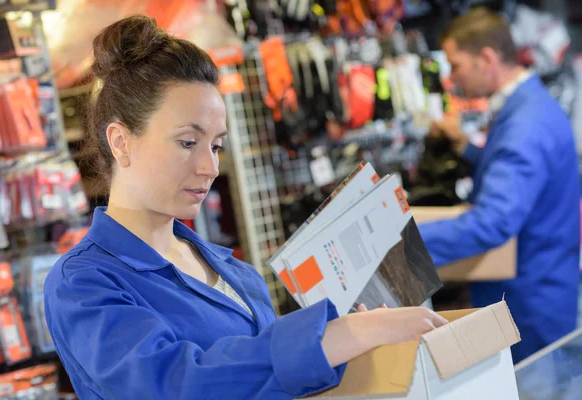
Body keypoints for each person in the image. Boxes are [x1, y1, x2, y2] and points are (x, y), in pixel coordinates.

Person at [43, 15, 448, 400]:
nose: (210, 167)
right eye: (188, 142)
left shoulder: (237, 274)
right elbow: (173, 385)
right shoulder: (84, 283)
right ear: (121, 142)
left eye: (216, 146)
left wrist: (352, 345)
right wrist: (337, 338)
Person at [418, 7, 581, 364]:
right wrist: (470, 150)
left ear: (487, 58)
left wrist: (404, 243)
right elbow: (527, 178)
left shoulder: (524, 127)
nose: (451, 78)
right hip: (539, 289)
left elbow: (493, 223)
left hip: (530, 308)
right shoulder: (529, 106)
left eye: (456, 64)